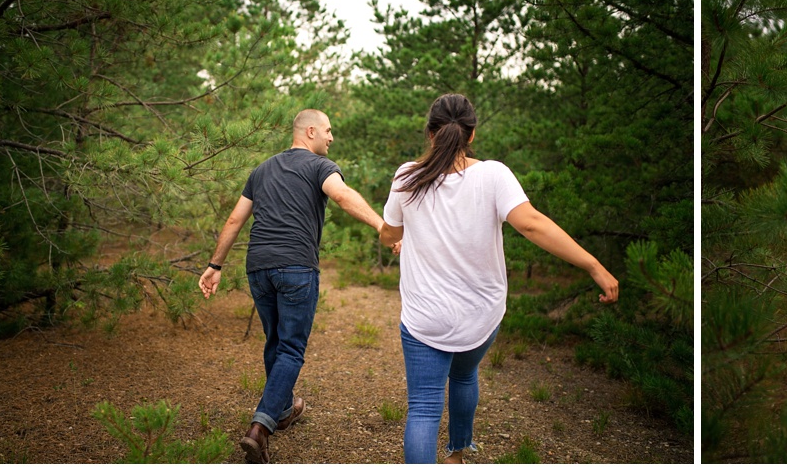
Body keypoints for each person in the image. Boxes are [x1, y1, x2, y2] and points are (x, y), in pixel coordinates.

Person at [377, 93, 619, 464]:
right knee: (463, 376)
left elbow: (389, 234)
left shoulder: (406, 176)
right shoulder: (494, 174)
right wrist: (593, 266)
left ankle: (453, 449)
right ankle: (458, 451)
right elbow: (532, 224)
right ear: (471, 135)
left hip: (426, 317)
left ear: (430, 133)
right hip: (481, 313)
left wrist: (400, 238)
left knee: (423, 410)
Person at [199, 109, 388, 463]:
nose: (332, 138)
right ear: (311, 131)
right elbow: (343, 195)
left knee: (275, 342)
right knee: (291, 349)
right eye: (329, 131)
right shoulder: (320, 168)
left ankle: (284, 407)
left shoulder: (261, 169)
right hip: (296, 268)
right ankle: (260, 427)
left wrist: (215, 265)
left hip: (258, 268)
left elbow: (235, 218)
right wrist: (381, 226)